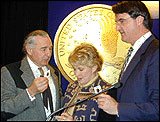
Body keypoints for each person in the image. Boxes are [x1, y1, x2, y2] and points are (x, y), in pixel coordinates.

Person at [97, 1, 159, 121]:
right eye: (116, 22)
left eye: (122, 21)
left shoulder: (155, 51)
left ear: (139, 20)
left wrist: (118, 108)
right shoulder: (137, 50)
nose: (117, 28)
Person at [1, 30, 63, 121]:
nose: (49, 54)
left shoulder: (55, 72)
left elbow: (58, 103)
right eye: (44, 49)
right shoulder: (10, 72)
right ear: (29, 50)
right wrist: (30, 92)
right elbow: (4, 109)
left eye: (50, 48)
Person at [55, 43, 117, 121]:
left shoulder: (107, 92)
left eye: (81, 69)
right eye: (74, 69)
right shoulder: (72, 86)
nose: (76, 74)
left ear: (94, 67)